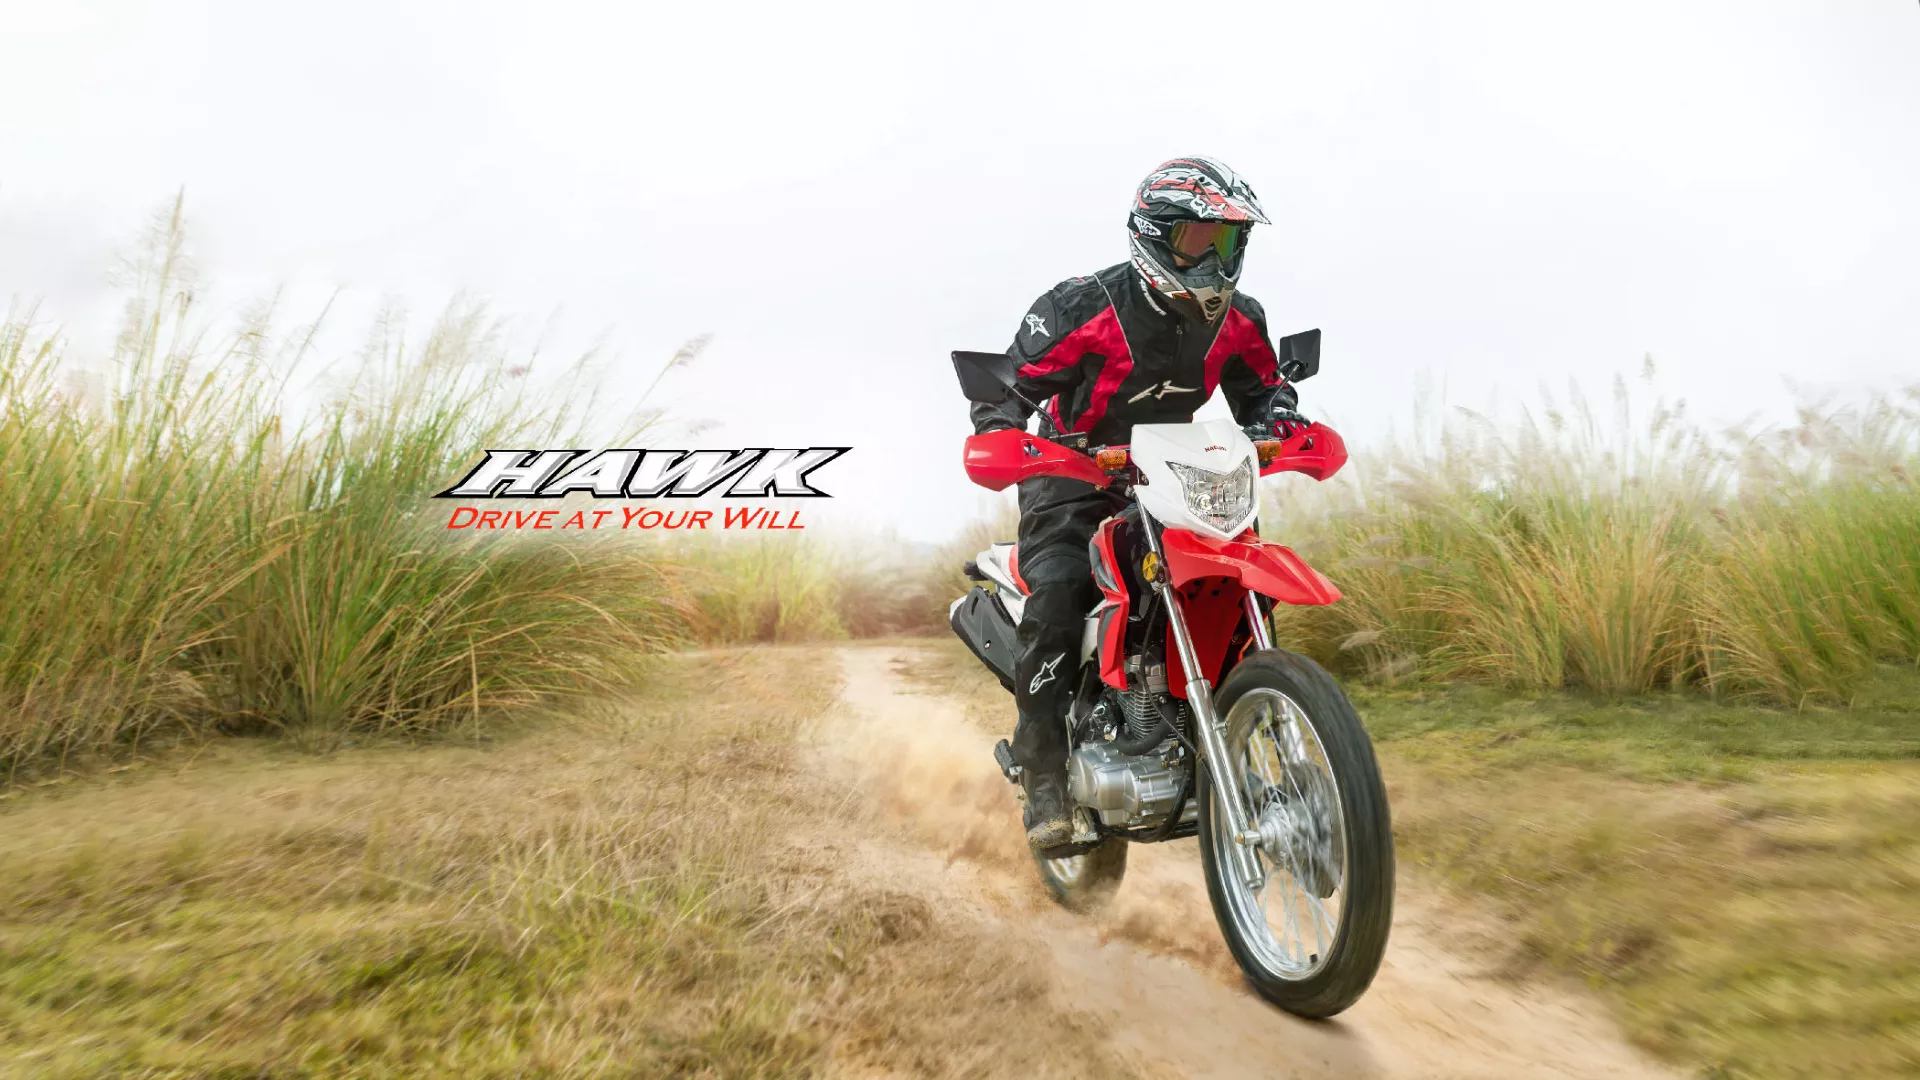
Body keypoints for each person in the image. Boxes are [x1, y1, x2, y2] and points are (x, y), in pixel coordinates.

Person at [969, 156, 1316, 852]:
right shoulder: (1079, 306)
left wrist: (1276, 425)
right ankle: (1041, 772)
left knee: (1234, 579)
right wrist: (1002, 433)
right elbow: (1005, 390)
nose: (1216, 259)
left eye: (1228, 243)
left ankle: (1234, 721)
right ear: (1153, 236)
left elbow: (1266, 390)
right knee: (1062, 590)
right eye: (1199, 241)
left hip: (1174, 473)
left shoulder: (1239, 319)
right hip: (1072, 476)